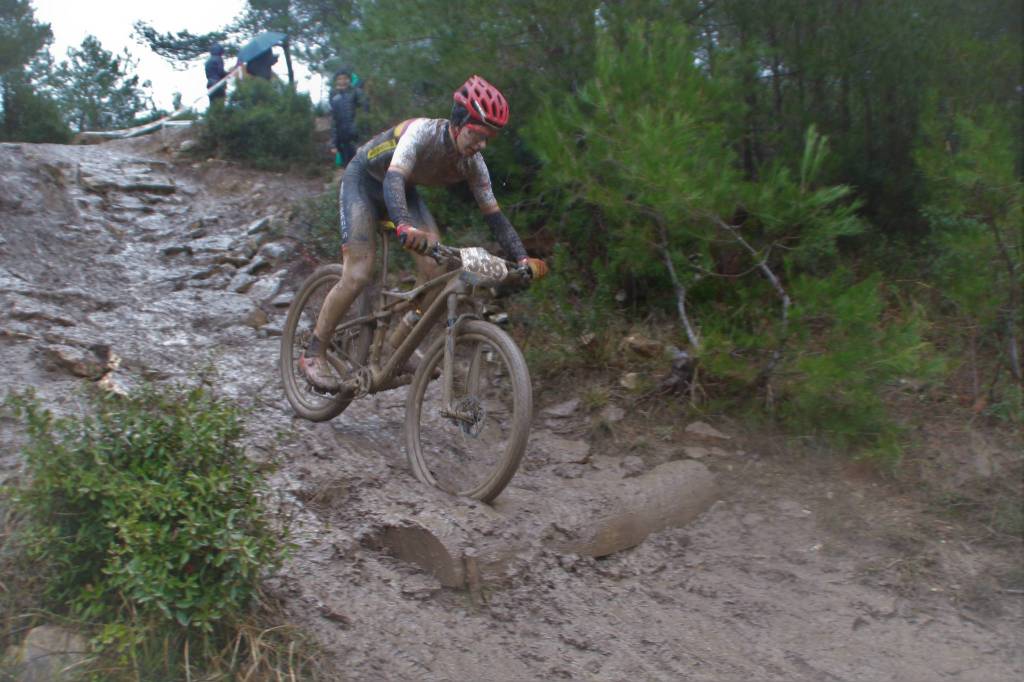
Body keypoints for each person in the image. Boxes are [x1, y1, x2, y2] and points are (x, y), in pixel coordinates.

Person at [300, 75, 549, 392]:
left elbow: (495, 217)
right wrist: (403, 224)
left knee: (435, 272)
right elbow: (392, 180)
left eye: (490, 137)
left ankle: (397, 346)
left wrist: (522, 258)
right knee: (359, 273)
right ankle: (314, 351)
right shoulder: (422, 132)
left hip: (404, 190)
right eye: (478, 133)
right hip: (365, 182)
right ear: (459, 122)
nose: (483, 143)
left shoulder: (474, 163)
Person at [329, 69, 366, 167]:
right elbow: (334, 121)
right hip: (343, 140)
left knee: (361, 166)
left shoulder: (355, 92)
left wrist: (359, 88)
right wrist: (333, 143)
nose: (342, 81)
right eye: (339, 79)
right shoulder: (334, 95)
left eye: (345, 78)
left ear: (349, 80)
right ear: (336, 81)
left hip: (357, 138)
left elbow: (365, 109)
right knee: (348, 168)